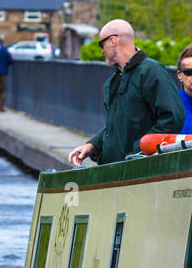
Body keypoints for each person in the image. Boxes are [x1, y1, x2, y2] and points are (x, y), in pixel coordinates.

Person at [68, 19, 185, 166]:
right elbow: (118, 125)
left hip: (142, 171)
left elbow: (173, 118)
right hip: (115, 171)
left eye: (101, 44)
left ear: (112, 40)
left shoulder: (151, 71)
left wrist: (140, 150)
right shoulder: (113, 81)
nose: (102, 50)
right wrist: (92, 145)